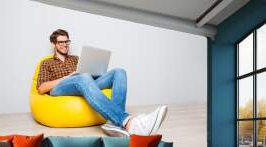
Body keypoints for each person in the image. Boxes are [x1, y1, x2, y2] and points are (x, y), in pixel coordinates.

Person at [37, 29, 168, 136]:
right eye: (61, 42)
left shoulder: (76, 59)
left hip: (85, 83)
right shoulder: (47, 62)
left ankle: (114, 124)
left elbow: (88, 77)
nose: (65, 45)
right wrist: (68, 77)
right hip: (60, 89)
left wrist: (95, 72)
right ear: (54, 44)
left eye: (67, 41)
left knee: (119, 71)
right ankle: (128, 122)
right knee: (83, 77)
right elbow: (42, 88)